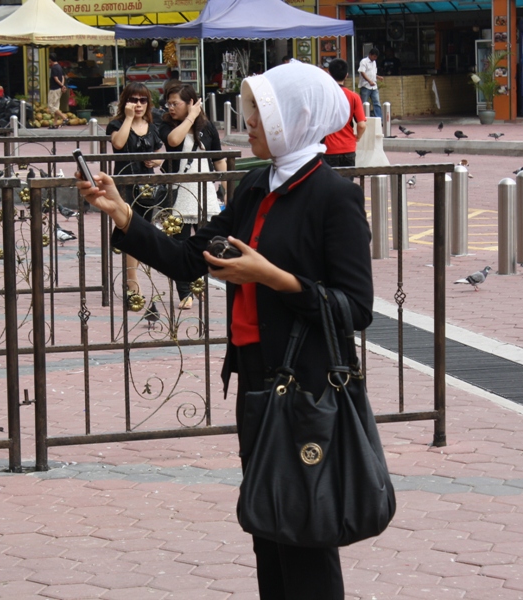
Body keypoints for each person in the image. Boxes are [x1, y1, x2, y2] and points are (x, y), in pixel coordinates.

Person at [77, 61, 373, 599]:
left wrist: (274, 278)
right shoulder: (256, 184)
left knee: (306, 526)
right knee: (266, 518)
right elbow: (191, 258)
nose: (248, 120)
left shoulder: (334, 196)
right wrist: (122, 214)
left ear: (297, 116)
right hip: (256, 374)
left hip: (305, 383)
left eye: (261, 110)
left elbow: (355, 309)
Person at [158, 83, 227, 310]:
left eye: (175, 103)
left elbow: (219, 160)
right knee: (180, 242)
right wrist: (190, 118)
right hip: (179, 191)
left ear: (190, 102)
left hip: (204, 191)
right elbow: (174, 142)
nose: (170, 108)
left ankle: (201, 283)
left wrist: (225, 188)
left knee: (207, 241)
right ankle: (184, 292)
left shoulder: (207, 128)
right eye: (168, 103)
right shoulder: (167, 123)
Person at [105, 82, 165, 297]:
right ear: (125, 101)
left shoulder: (152, 124)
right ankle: (132, 280)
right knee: (130, 229)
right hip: (125, 184)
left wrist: (156, 160)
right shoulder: (116, 124)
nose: (138, 104)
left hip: (147, 186)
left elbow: (160, 150)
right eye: (133, 100)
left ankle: (132, 276)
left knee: (142, 229)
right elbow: (118, 144)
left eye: (143, 100)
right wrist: (129, 118)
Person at [324, 58, 367, 175]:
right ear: (347, 75)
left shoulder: (323, 96)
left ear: (329, 73)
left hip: (328, 149)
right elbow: (362, 125)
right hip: (348, 148)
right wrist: (357, 137)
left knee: (329, 188)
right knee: (346, 187)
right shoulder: (354, 97)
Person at [358, 47, 383, 117]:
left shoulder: (374, 62)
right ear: (370, 55)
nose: (375, 58)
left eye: (376, 57)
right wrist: (369, 81)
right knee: (364, 103)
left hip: (374, 86)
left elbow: (372, 73)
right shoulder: (364, 61)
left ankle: (379, 119)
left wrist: (378, 77)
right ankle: (363, 117)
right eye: (374, 56)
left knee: (377, 103)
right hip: (365, 86)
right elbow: (362, 72)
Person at [48, 54, 70, 124]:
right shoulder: (60, 67)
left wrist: (61, 85)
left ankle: (64, 117)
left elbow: (56, 78)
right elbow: (63, 77)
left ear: (51, 60)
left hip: (54, 89)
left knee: (51, 106)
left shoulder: (53, 68)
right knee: (56, 107)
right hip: (59, 89)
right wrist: (62, 85)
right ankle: (55, 123)